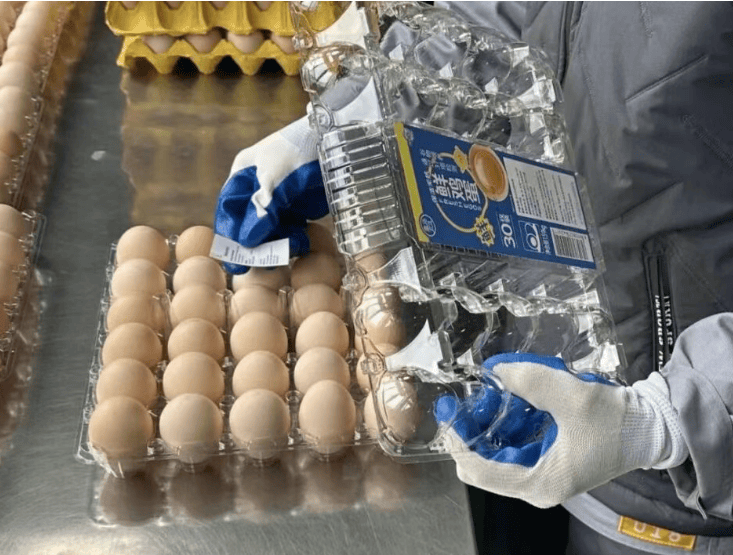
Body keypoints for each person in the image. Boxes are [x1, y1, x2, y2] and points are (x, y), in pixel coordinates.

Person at [213, 3, 733, 553]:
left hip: (686, 476)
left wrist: (670, 420)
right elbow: (506, 20)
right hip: (546, 365)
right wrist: (363, 116)